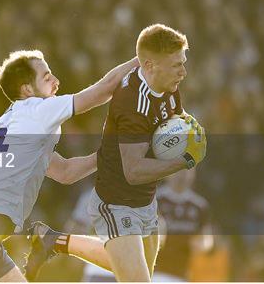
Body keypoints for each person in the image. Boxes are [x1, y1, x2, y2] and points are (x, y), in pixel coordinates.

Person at [0, 50, 140, 282]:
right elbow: (105, 89)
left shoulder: (11, 122)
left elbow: (65, 172)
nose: (56, 81)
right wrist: (143, 59)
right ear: (27, 90)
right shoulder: (36, 110)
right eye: (47, 77)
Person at [24, 24, 207, 282]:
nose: (184, 72)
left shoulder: (168, 85)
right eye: (177, 65)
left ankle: (51, 240)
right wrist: (185, 160)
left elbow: (172, 122)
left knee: (127, 267)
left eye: (183, 63)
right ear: (151, 66)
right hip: (116, 204)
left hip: (146, 202)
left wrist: (187, 129)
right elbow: (133, 172)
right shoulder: (133, 104)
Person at [153, 168, 213, 282]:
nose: (182, 175)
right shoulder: (154, 200)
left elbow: (207, 240)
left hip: (183, 273)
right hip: (155, 272)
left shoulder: (200, 206)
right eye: (178, 170)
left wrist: (202, 245)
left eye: (187, 171)